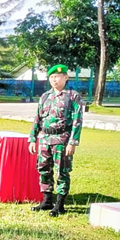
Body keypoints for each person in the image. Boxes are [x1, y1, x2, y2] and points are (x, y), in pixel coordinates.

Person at [28, 64, 84, 217]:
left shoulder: (72, 96)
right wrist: (32, 138)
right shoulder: (45, 96)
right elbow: (37, 118)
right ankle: (47, 201)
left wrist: (73, 142)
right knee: (44, 169)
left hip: (62, 139)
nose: (54, 79)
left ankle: (59, 205)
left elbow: (77, 120)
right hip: (45, 138)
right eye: (52, 77)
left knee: (62, 172)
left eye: (58, 77)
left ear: (66, 78)